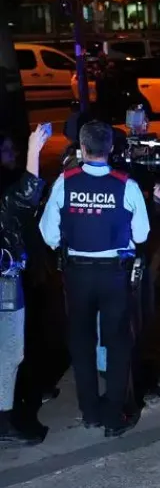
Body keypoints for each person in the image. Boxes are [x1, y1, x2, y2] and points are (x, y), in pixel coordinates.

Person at [39, 121, 150, 437]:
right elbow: (142, 234)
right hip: (114, 273)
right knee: (117, 342)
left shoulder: (65, 182)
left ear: (82, 149)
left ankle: (89, 412)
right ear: (111, 148)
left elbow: (48, 233)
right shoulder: (126, 185)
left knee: (81, 341)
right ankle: (114, 415)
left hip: (78, 273)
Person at [0, 124, 50, 445]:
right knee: (9, 349)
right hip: (5, 279)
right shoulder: (5, 194)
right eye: (6, 150)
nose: (12, 155)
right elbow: (27, 193)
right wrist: (34, 152)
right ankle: (4, 421)